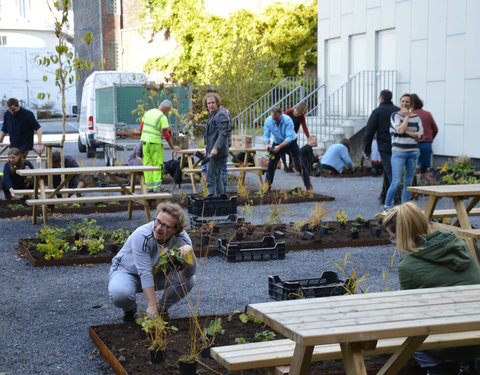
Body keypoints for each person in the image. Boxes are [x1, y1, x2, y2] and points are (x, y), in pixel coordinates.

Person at [383, 202, 480, 374]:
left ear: (402, 235)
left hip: (451, 345)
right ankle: (468, 365)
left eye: (392, 237)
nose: (393, 242)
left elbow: (408, 312)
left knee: (402, 329)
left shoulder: (408, 266)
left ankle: (435, 369)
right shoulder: (459, 245)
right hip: (476, 336)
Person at [108, 202, 196, 322]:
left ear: (175, 230)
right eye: (157, 221)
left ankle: (161, 309)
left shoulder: (182, 239)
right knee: (120, 293)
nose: (158, 228)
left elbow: (190, 273)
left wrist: (191, 254)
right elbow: (145, 272)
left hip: (157, 273)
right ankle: (131, 310)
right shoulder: (143, 235)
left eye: (165, 226)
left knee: (189, 281)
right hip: (127, 272)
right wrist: (151, 306)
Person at [384, 94, 423, 211]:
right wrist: (406, 117)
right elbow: (399, 131)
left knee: (408, 182)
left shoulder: (417, 117)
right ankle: (387, 207)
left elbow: (420, 135)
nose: (405, 104)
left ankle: (404, 208)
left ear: (411, 104)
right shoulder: (395, 116)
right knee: (396, 181)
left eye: (407, 102)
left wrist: (406, 131)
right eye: (403, 101)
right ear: (400, 102)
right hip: (398, 152)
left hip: (413, 153)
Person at [363, 90, 400, 204]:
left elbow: (369, 131)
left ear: (381, 98)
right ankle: (384, 196)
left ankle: (397, 198)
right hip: (398, 144)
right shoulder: (398, 111)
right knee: (388, 169)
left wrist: (367, 150)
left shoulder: (377, 111)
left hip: (384, 145)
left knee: (390, 171)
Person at [263, 107, 312, 191]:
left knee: (299, 164)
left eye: (277, 119)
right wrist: (267, 145)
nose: (275, 121)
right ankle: (266, 188)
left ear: (281, 115)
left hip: (291, 143)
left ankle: (309, 188)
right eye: (273, 119)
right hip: (277, 141)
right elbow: (266, 136)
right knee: (271, 165)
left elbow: (289, 138)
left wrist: (279, 147)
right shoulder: (268, 121)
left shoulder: (288, 120)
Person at [140, 100, 180, 192]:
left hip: (145, 143)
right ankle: (156, 188)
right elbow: (166, 134)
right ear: (166, 109)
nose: (168, 113)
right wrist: (173, 146)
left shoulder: (148, 112)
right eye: (168, 111)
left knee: (147, 165)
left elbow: (142, 128)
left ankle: (149, 187)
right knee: (157, 165)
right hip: (155, 144)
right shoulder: (162, 117)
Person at [203, 93, 229, 196]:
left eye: (213, 102)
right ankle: (221, 197)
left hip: (218, 152)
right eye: (208, 103)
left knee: (210, 178)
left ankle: (210, 199)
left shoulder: (220, 115)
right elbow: (210, 135)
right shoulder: (212, 116)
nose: (211, 105)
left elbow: (222, 133)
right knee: (217, 176)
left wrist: (215, 148)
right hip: (213, 151)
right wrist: (206, 148)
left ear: (218, 103)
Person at [411, 93, 438, 185]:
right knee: (424, 169)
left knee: (411, 169)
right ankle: (433, 188)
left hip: (414, 145)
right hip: (426, 144)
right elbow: (435, 129)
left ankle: (413, 193)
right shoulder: (428, 114)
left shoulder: (410, 115)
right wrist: (430, 139)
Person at [282, 103, 309, 173]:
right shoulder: (290, 112)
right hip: (284, 134)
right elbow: (281, 117)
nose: (305, 111)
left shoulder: (302, 116)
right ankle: (285, 166)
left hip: (293, 135)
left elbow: (304, 127)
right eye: (304, 110)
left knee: (293, 150)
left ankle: (291, 166)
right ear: (301, 109)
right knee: (282, 149)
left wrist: (308, 137)